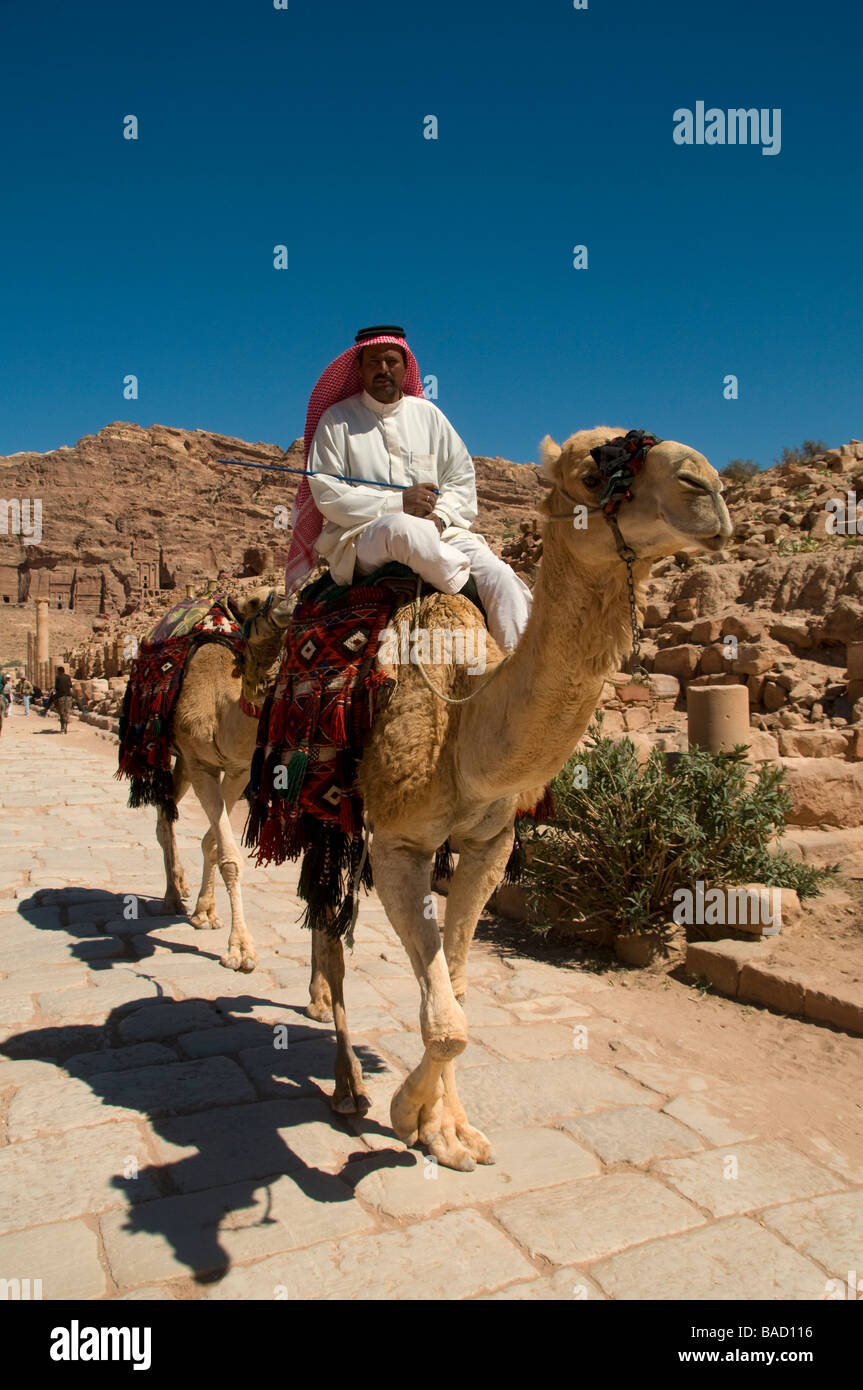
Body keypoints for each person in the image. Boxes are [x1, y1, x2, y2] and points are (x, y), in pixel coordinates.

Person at [284, 326, 532, 653]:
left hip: (439, 533)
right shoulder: (337, 421)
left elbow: (460, 479)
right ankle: (468, 592)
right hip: (365, 537)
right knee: (402, 529)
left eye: (391, 361)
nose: (383, 369)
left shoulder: (428, 416)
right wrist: (398, 502)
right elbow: (328, 496)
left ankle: (518, 675)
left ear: (406, 367)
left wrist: (440, 519)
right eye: (374, 362)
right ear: (358, 368)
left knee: (502, 578)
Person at [53, 665, 74, 734]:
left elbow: (56, 687)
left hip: (61, 696)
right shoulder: (68, 677)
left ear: (59, 671)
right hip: (68, 696)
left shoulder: (57, 677)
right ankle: (66, 727)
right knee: (67, 712)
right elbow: (70, 686)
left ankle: (62, 728)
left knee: (61, 712)